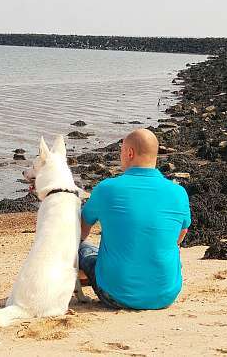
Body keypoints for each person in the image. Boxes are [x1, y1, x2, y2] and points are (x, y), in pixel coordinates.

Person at [79, 128, 191, 310]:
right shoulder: (179, 193)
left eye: (121, 151)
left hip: (115, 295)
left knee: (83, 248)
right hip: (165, 295)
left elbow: (81, 231)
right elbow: (181, 233)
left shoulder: (106, 188)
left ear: (129, 153)